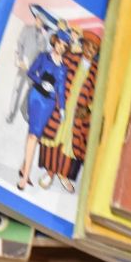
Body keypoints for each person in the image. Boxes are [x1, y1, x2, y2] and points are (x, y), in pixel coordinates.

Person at [38, 30, 101, 193]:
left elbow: (97, 97)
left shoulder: (97, 72)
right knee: (54, 137)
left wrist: (88, 109)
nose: (90, 50)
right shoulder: (70, 58)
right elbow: (53, 76)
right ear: (83, 45)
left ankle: (63, 174)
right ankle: (50, 172)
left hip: (77, 115)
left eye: (94, 48)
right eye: (88, 46)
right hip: (60, 107)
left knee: (70, 144)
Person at [17, 31, 70, 191]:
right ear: (55, 42)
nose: (61, 47)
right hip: (36, 97)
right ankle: (25, 177)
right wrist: (41, 81)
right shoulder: (43, 57)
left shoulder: (63, 68)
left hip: (49, 103)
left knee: (35, 135)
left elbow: (61, 90)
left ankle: (24, 167)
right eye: (60, 43)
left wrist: (62, 109)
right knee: (33, 136)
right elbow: (30, 72)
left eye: (65, 46)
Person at [6, 6, 49, 124]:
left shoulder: (43, 39)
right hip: (22, 65)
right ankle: (10, 113)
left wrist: (37, 69)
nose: (39, 22)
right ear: (36, 19)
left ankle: (24, 109)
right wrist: (19, 60)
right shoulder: (27, 28)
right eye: (38, 19)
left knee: (31, 90)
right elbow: (19, 44)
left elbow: (41, 55)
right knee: (16, 89)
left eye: (42, 21)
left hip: (33, 70)